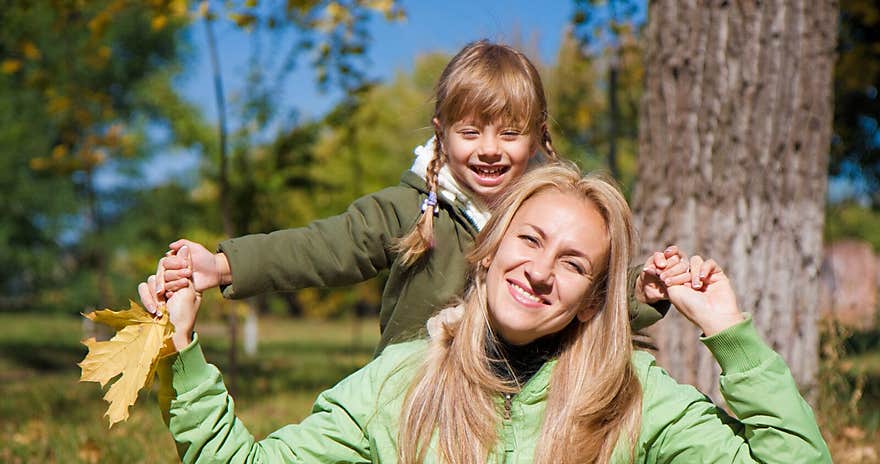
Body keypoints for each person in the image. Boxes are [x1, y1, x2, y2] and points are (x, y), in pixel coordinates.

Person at [146, 160, 834, 464]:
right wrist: (184, 353)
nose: (540, 270)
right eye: (530, 239)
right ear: (489, 247)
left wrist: (728, 332)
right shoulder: (404, 377)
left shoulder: (629, 391)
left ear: (594, 295)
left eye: (572, 262)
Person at [140, 39, 690, 354]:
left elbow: (582, 290)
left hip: (522, 401)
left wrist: (642, 290)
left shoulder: (550, 215)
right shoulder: (410, 208)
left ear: (539, 135)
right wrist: (224, 264)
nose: (489, 151)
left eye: (510, 132)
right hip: (417, 397)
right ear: (441, 133)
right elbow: (323, 247)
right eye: (470, 133)